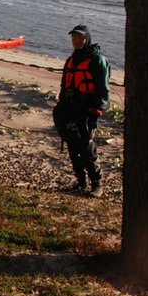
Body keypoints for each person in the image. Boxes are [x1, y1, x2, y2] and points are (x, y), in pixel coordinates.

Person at [53, 24, 111, 197]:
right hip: (70, 108)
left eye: (80, 38)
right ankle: (81, 182)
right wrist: (62, 106)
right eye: (74, 38)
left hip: (88, 109)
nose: (77, 41)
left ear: (87, 39)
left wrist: (96, 111)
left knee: (86, 146)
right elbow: (64, 86)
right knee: (72, 145)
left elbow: (103, 91)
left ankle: (97, 185)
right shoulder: (71, 60)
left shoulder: (97, 60)